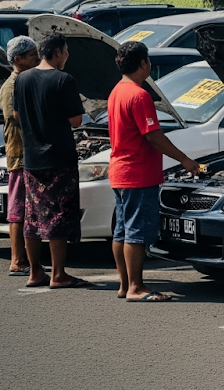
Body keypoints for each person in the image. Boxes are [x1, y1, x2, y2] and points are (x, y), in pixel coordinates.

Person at [108, 41, 202, 301]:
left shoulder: (117, 90)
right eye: (147, 60)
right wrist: (184, 159)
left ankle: (124, 285)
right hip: (137, 172)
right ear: (143, 63)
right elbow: (153, 136)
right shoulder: (140, 95)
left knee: (122, 231)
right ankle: (136, 288)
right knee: (136, 232)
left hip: (119, 170)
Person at [17, 34, 90, 289]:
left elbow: (16, 114)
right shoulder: (64, 80)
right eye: (67, 51)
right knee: (58, 215)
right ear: (58, 52)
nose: (67, 56)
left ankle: (35, 271)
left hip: (32, 157)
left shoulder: (22, 79)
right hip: (59, 157)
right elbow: (76, 120)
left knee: (33, 216)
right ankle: (58, 274)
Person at [0, 35, 42, 273]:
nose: (37, 58)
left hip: (29, 152)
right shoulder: (12, 85)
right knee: (18, 210)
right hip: (20, 153)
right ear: (19, 59)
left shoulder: (25, 80)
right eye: (33, 55)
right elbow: (14, 118)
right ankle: (17, 259)